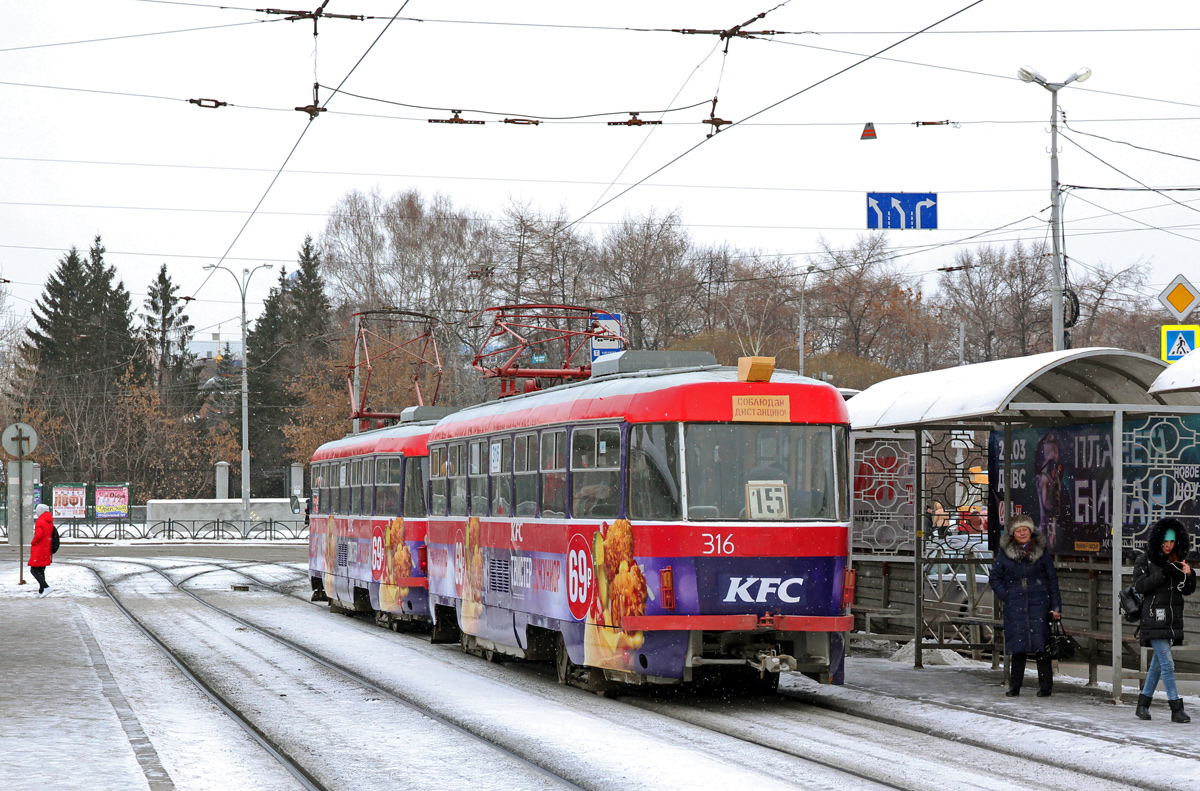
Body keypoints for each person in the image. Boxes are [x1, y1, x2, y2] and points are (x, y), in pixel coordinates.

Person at [989, 514, 1061, 697]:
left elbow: (1052, 580)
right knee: (1017, 648)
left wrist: (1056, 607)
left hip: (1040, 605)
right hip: (1016, 606)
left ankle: (1045, 687)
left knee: (1041, 647)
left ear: (1031, 532)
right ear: (1013, 534)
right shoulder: (1004, 554)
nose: (1022, 533)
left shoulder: (1042, 552)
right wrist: (1007, 595)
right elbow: (995, 578)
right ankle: (1015, 686)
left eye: (1025, 530)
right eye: (1019, 530)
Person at [1133, 517, 1196, 723]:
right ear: (1158, 540)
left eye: (1172, 542)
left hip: (1171, 620)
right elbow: (1140, 586)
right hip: (1152, 619)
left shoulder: (1177, 560)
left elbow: (1186, 590)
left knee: (1157, 665)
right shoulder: (1145, 560)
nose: (1169, 546)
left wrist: (1189, 575)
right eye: (1165, 541)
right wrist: (1163, 573)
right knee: (1167, 664)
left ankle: (1143, 704)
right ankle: (1176, 708)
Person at [28, 503, 54, 597]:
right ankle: (42, 590)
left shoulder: (40, 521)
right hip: (46, 548)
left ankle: (46, 587)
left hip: (39, 548)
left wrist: (33, 542)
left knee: (34, 570)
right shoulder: (49, 521)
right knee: (41, 569)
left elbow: (38, 535)